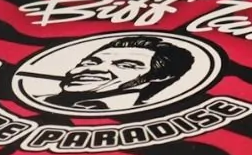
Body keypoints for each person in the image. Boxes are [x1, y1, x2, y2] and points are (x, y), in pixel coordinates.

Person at [41, 35, 192, 112]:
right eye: (90, 62)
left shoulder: (158, 112)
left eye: (125, 65)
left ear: (160, 77)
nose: (94, 69)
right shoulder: (42, 102)